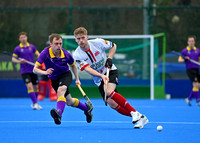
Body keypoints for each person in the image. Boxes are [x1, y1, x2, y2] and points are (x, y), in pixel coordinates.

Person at [73, 27, 148, 128]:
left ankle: (134, 113)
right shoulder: (77, 54)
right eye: (78, 39)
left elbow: (113, 45)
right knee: (112, 105)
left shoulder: (97, 42)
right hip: (99, 79)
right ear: (75, 39)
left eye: (83, 38)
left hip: (110, 71)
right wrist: (101, 76)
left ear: (87, 37)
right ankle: (140, 117)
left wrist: (109, 58)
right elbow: (88, 69)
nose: (81, 40)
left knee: (108, 91)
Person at [33, 33, 93, 125]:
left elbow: (73, 66)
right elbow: (35, 69)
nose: (59, 46)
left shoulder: (66, 54)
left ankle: (59, 114)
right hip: (54, 79)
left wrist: (77, 79)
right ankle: (86, 109)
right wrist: (45, 72)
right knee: (69, 101)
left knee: (61, 90)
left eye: (60, 43)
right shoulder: (45, 53)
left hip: (65, 75)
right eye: (56, 43)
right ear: (51, 44)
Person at [12, 32, 42, 110]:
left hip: (33, 69)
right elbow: (13, 59)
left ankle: (35, 102)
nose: (23, 39)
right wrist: (20, 61)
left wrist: (38, 62)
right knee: (29, 86)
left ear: (27, 38)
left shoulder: (32, 47)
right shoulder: (17, 49)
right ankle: (35, 103)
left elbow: (39, 55)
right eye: (21, 37)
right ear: (19, 39)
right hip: (24, 71)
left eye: (24, 37)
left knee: (36, 87)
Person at [178, 35, 200, 106]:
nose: (191, 42)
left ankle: (189, 99)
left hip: (196, 69)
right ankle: (198, 101)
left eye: (192, 41)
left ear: (194, 42)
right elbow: (179, 60)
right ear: (187, 42)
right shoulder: (184, 51)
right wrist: (185, 59)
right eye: (190, 41)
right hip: (190, 70)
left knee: (198, 85)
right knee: (195, 84)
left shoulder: (198, 50)